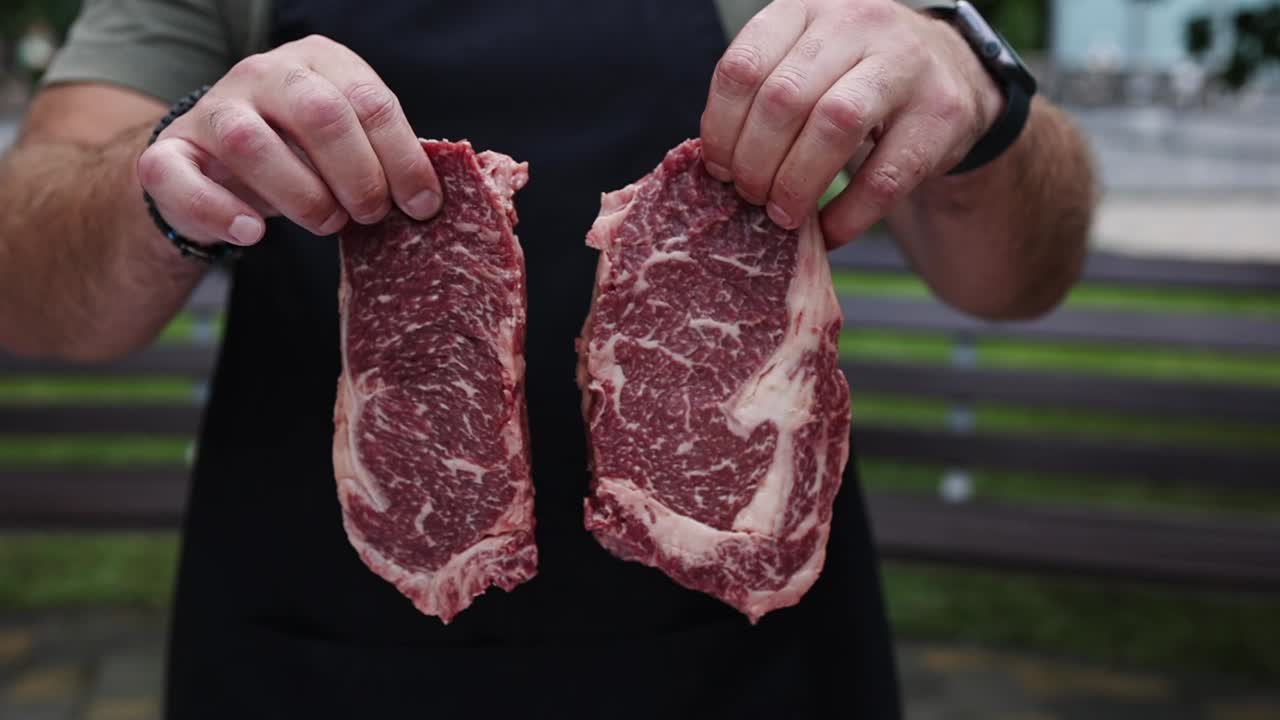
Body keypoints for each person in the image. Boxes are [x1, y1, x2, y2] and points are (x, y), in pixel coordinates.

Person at [0, 0, 1096, 717]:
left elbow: (1018, 276)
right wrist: (174, 168)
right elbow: (28, 290)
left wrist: (974, 81)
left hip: (742, 652)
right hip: (316, 656)